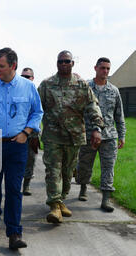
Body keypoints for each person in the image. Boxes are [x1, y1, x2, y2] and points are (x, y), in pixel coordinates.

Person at [0, 47, 43, 250]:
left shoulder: (28, 87)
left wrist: (27, 132)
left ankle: (14, 232)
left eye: (1, 66)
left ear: (13, 66)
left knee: (14, 189)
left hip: (17, 145)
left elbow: (37, 112)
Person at [38, 50, 104, 224]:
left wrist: (97, 128)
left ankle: (61, 200)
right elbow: (36, 110)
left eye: (67, 61)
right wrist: (33, 132)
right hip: (53, 136)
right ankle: (54, 205)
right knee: (53, 171)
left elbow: (92, 106)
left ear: (73, 63)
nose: (64, 64)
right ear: (56, 63)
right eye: (60, 61)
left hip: (74, 137)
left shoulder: (82, 85)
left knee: (67, 173)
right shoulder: (46, 85)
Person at [77, 57, 126, 212]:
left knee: (108, 168)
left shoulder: (114, 90)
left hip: (109, 136)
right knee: (84, 165)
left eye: (107, 69)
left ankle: (106, 199)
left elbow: (119, 115)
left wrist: (122, 135)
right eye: (102, 68)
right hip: (88, 135)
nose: (105, 71)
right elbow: (77, 111)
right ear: (95, 68)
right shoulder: (86, 87)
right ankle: (83, 187)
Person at [20, 68, 41, 196]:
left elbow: (39, 113)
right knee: (16, 161)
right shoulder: (16, 91)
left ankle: (26, 185)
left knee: (30, 160)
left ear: (32, 78)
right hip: (18, 132)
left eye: (28, 76)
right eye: (23, 76)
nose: (25, 78)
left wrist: (36, 134)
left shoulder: (37, 93)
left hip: (32, 133)